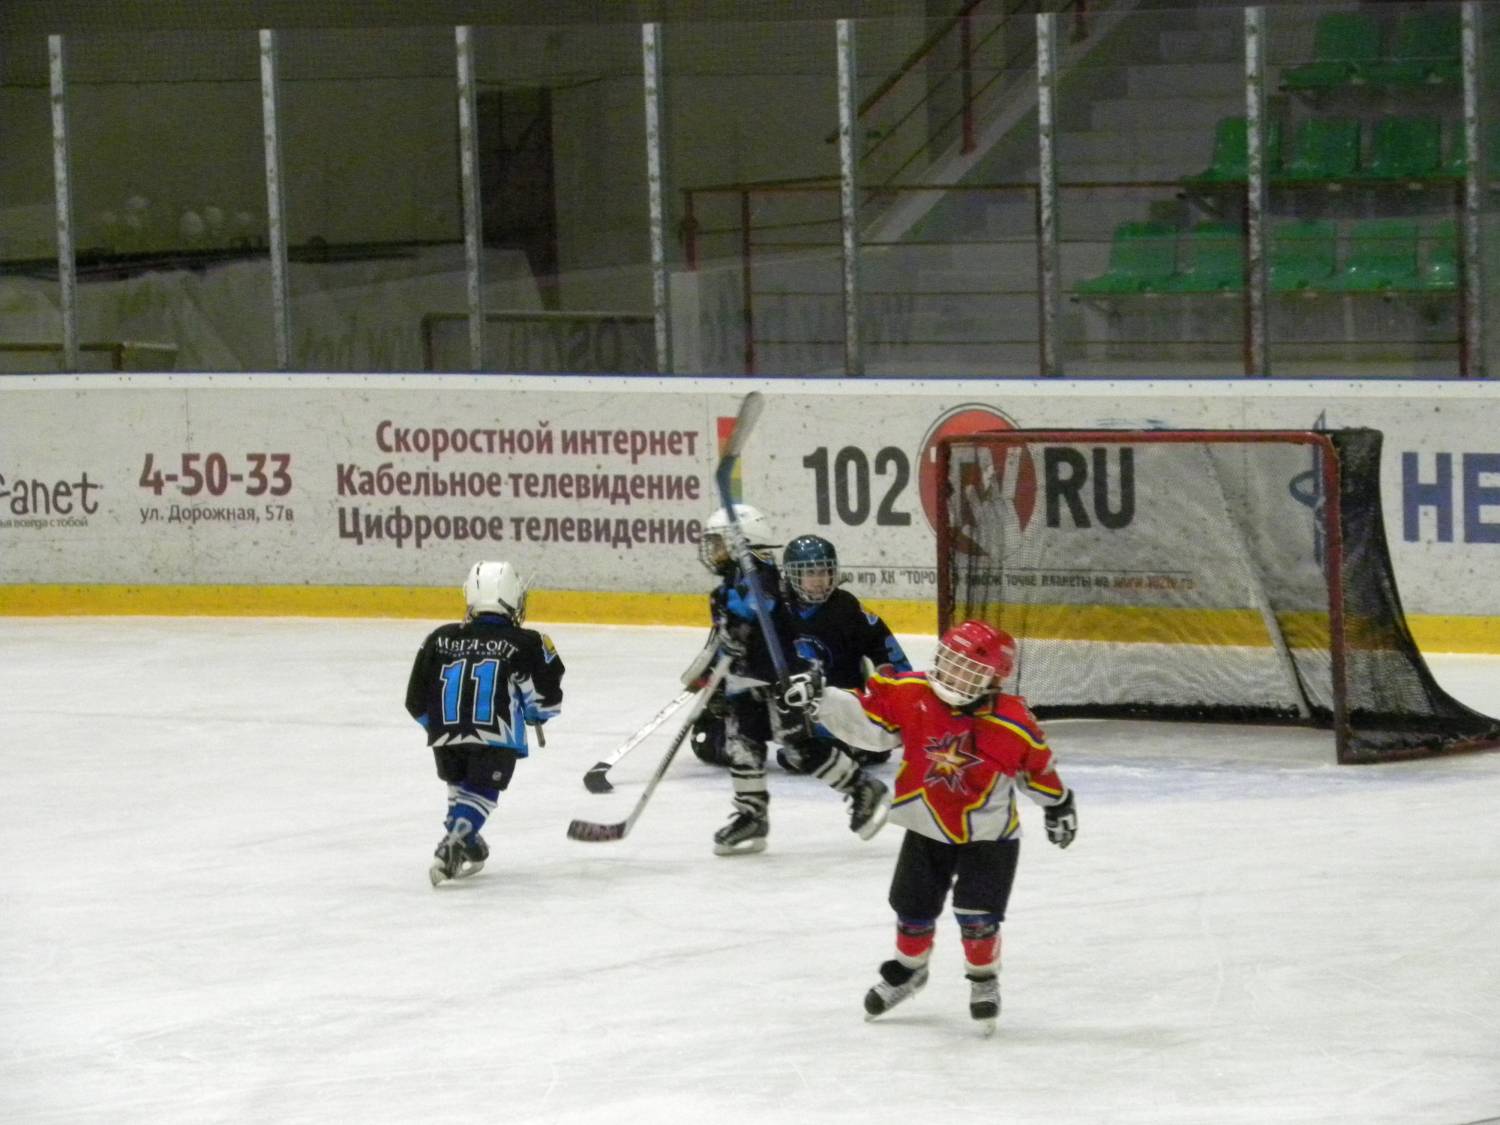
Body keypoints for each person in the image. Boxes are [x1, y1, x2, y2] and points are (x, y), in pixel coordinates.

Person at [776, 619, 1077, 1032]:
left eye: (967, 670)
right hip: (926, 823)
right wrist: (821, 698)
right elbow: (869, 721)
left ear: (994, 679)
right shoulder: (913, 692)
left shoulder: (1013, 722)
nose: (951, 675)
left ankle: (983, 979)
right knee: (912, 907)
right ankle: (909, 970)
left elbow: (1037, 768)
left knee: (978, 917)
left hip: (989, 835)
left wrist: (1058, 804)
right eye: (949, 662)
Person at [694, 504, 890, 856]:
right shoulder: (732, 582)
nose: (715, 551)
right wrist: (715, 676)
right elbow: (726, 634)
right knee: (743, 746)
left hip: (783, 678)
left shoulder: (761, 574)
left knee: (799, 748)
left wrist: (739, 621)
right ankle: (751, 815)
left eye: (720, 543)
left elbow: (761, 605)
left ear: (742, 542)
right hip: (746, 681)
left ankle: (862, 788)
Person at [405, 560, 564, 886]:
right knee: (482, 789)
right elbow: (546, 702)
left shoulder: (439, 638)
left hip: (444, 737)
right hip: (496, 735)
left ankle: (467, 841)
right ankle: (455, 841)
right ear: (513, 597)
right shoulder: (528, 642)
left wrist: (440, 728)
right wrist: (534, 714)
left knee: (462, 785)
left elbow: (415, 700)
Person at [779, 533, 912, 771]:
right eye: (810, 573)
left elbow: (885, 647)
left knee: (810, 756)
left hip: (842, 704)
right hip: (793, 706)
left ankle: (856, 743)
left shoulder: (846, 608)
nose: (819, 580)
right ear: (792, 575)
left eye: (824, 572)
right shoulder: (779, 609)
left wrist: (902, 696)